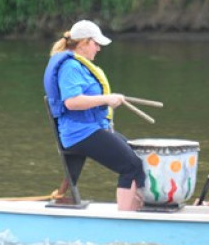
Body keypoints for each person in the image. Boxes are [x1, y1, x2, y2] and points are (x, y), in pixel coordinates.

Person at [43, 20, 145, 211]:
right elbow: (71, 102)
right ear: (84, 43)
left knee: (137, 157)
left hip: (89, 129)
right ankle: (125, 219)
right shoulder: (71, 67)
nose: (98, 48)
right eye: (96, 43)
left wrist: (108, 99)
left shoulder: (80, 66)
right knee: (131, 166)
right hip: (79, 133)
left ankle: (136, 208)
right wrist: (106, 99)